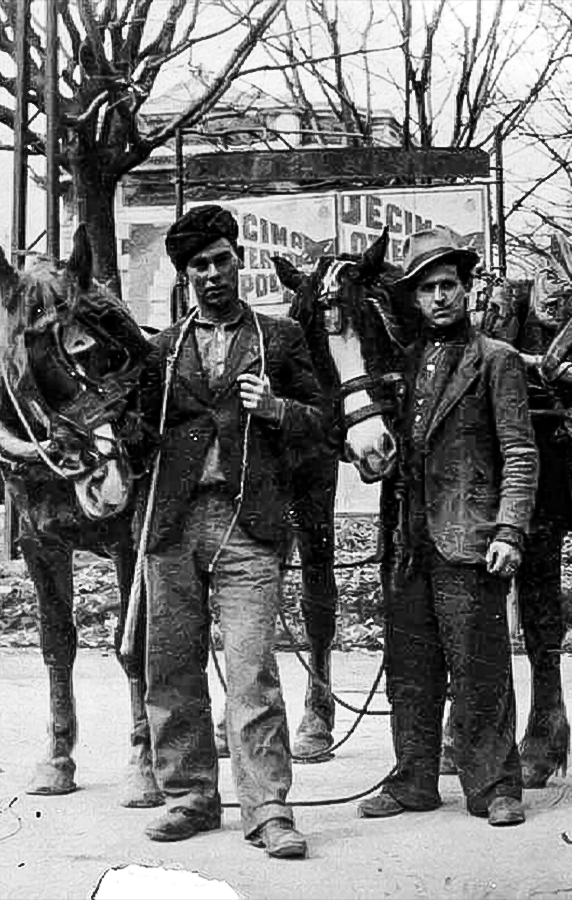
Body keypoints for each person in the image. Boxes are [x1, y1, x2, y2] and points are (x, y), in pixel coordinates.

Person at [140, 205, 326, 859]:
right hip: (173, 525)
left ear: (237, 260)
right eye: (199, 265)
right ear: (185, 273)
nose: (214, 274)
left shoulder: (281, 337)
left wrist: (275, 409)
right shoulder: (162, 350)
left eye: (222, 260)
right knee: (172, 668)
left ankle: (268, 807)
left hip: (248, 525)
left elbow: (321, 420)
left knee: (251, 673)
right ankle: (190, 797)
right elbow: (135, 432)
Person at [356, 226, 538, 827]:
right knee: (411, 669)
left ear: (466, 289)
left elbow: (520, 453)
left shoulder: (497, 360)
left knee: (480, 668)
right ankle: (413, 780)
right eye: (428, 288)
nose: (440, 297)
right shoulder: (402, 364)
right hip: (408, 541)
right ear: (413, 298)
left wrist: (510, 531)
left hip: (469, 536)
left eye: (449, 285)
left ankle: (495, 787)